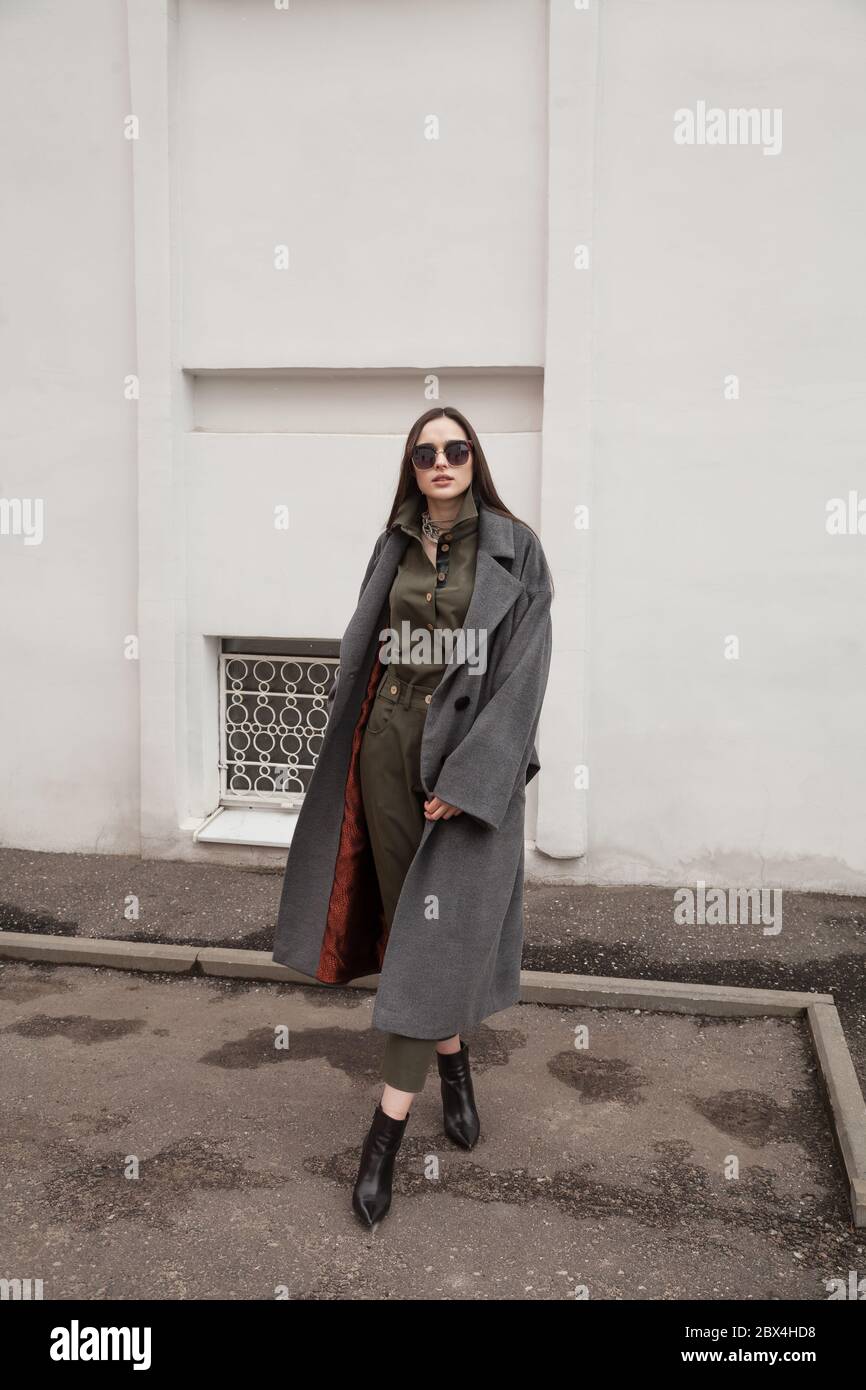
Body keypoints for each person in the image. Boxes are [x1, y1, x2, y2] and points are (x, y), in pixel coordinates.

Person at [272, 405, 554, 1228]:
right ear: (412, 465)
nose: (441, 462)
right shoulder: (394, 541)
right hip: (385, 750)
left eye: (455, 449)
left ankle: (381, 1142)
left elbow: (525, 678)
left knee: (434, 942)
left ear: (474, 460)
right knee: (408, 931)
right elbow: (366, 645)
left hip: (462, 768)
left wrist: (472, 778)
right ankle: (454, 1066)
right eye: (426, 452)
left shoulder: (518, 547)